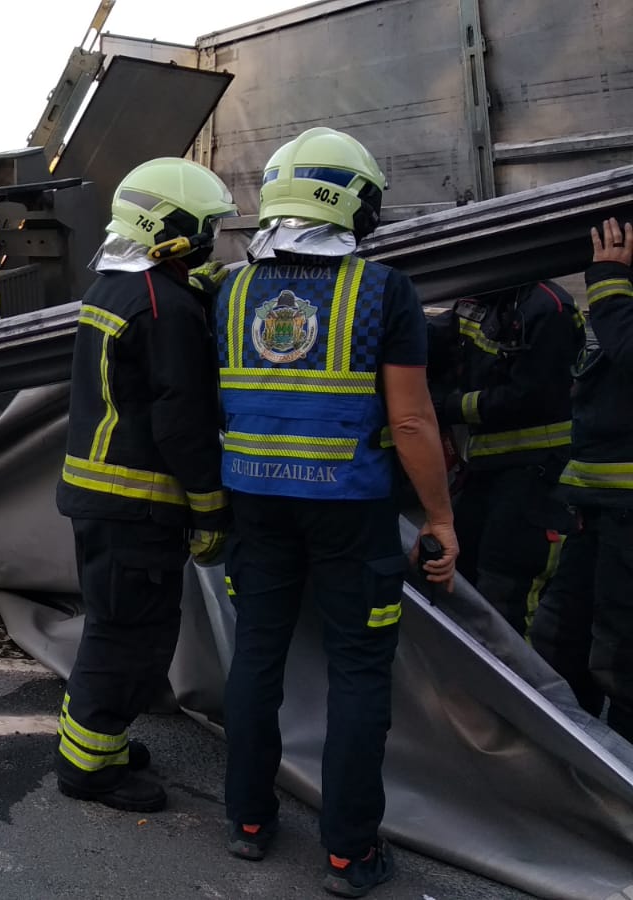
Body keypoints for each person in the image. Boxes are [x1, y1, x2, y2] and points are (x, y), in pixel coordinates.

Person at [212, 127, 458, 898]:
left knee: (256, 656)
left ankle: (248, 822)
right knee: (358, 673)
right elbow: (413, 422)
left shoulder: (229, 289)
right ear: (352, 203)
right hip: (349, 513)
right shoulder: (384, 291)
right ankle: (350, 853)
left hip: (253, 503)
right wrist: (440, 519)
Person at [53, 157, 237, 813]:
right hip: (137, 506)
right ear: (173, 230)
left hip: (99, 500)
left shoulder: (114, 287)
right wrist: (211, 509)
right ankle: (86, 768)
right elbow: (181, 425)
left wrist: (199, 292)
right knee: (129, 635)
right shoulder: (168, 308)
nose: (213, 239)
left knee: (113, 626)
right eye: (207, 228)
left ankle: (96, 745)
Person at [436, 273, 584, 636]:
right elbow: (444, 339)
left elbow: (529, 396)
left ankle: (529, 690)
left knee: (508, 594)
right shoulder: (480, 296)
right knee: (461, 577)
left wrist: (447, 408)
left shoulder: (549, 309)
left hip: (534, 476)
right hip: (486, 471)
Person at [533, 218, 633, 742]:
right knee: (559, 641)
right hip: (597, 510)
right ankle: (577, 765)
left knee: (622, 664)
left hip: (626, 516)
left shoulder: (617, 297)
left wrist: (611, 286)